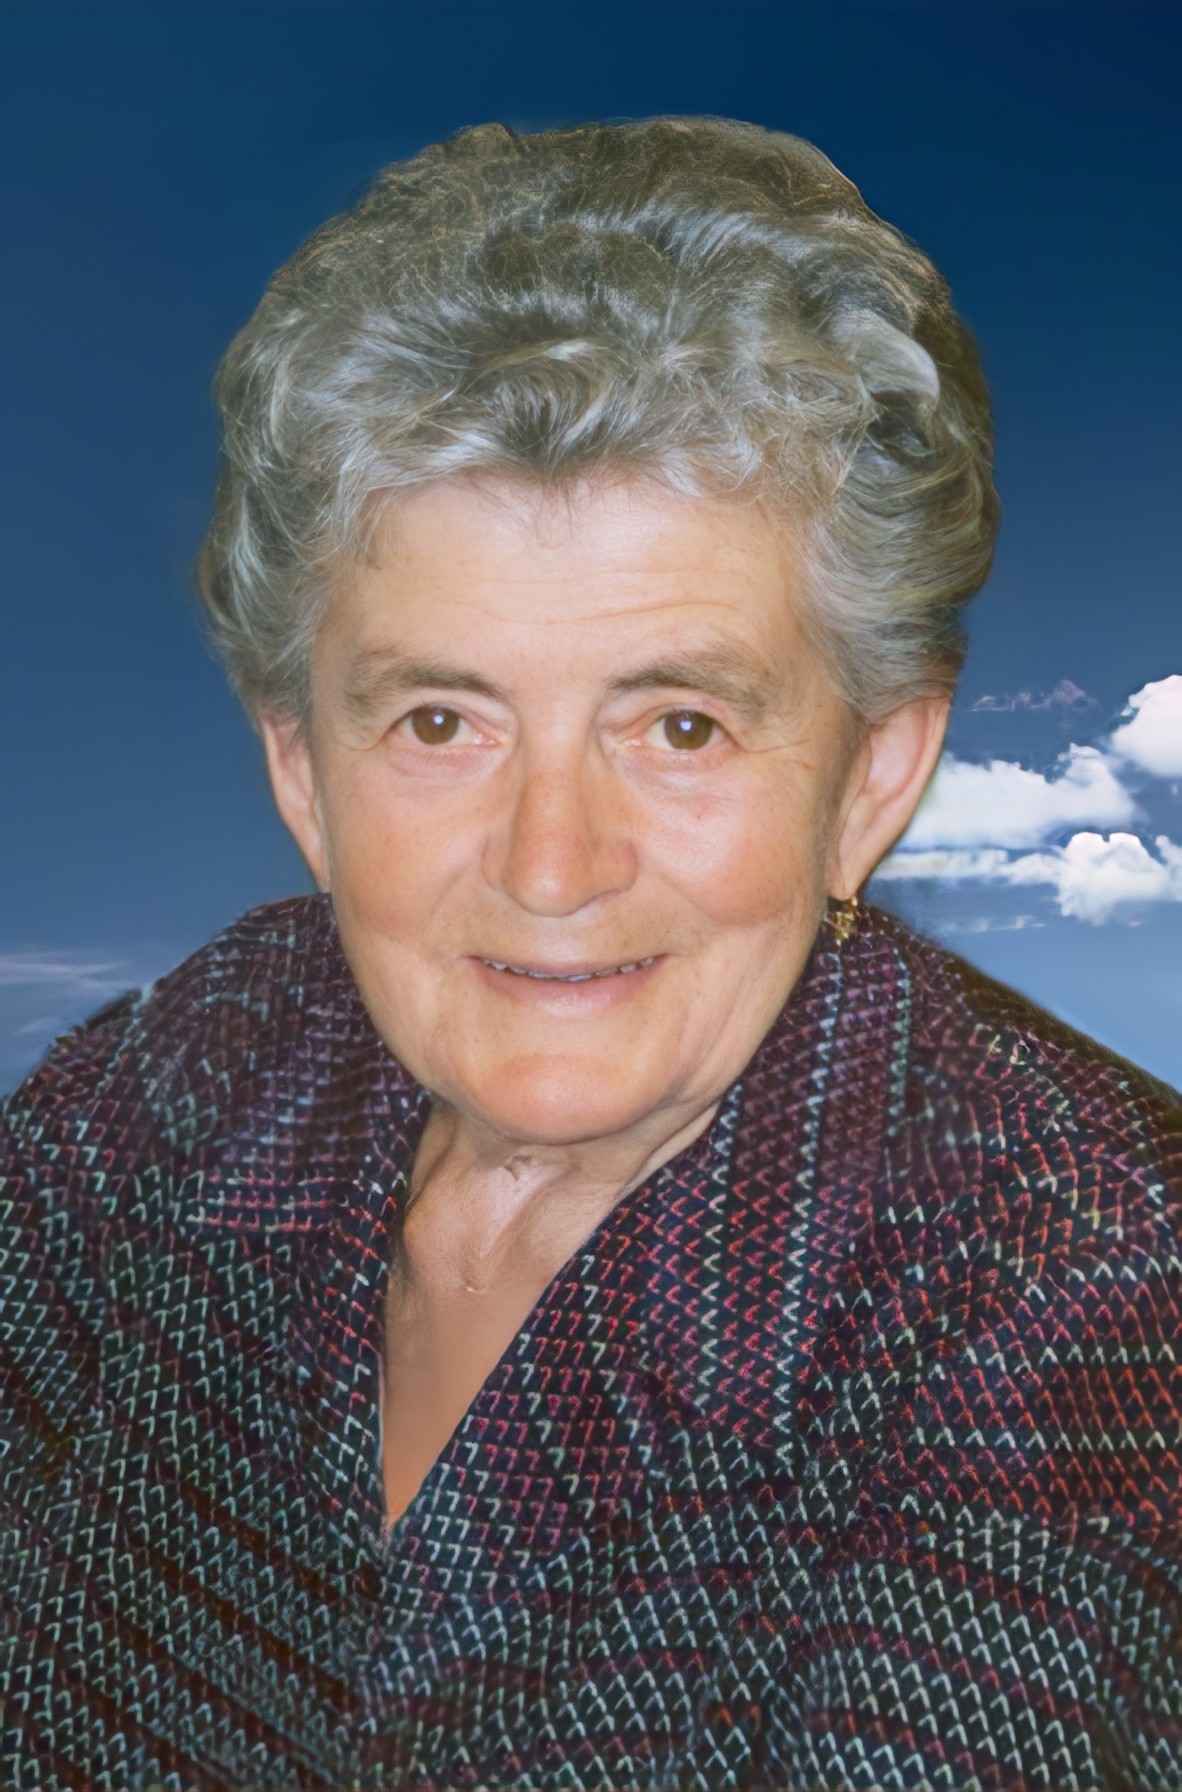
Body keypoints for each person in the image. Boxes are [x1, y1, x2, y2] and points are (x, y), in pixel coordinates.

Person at [0, 115, 1177, 1792]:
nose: (551, 866)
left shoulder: (1084, 1284)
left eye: (679, 724)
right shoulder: (210, 1063)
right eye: (440, 720)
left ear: (870, 779)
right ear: (302, 773)